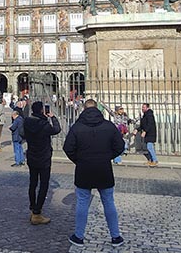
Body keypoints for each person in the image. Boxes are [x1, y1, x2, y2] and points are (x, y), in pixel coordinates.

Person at [62, 98, 126, 248]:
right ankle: (115, 236)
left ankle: (79, 236)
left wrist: (79, 160)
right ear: (97, 109)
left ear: (84, 109)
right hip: (104, 168)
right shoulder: (108, 126)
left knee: (82, 203)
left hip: (84, 169)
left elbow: (68, 148)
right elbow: (120, 146)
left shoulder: (77, 127)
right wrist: (107, 157)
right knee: (109, 202)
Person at [24, 101, 62, 225]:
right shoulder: (44, 125)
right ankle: (37, 212)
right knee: (44, 184)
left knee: (33, 183)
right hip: (44, 158)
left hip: (31, 156)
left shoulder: (27, 122)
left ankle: (32, 207)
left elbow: (21, 134)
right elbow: (57, 129)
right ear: (42, 111)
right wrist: (53, 117)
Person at [139, 103, 158, 167]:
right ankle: (150, 160)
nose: (142, 108)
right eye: (142, 107)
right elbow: (143, 125)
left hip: (151, 133)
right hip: (148, 134)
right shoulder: (145, 115)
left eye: (144, 107)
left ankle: (155, 160)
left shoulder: (149, 115)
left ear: (147, 108)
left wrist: (145, 131)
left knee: (150, 147)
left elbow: (149, 124)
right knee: (148, 147)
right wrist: (137, 129)